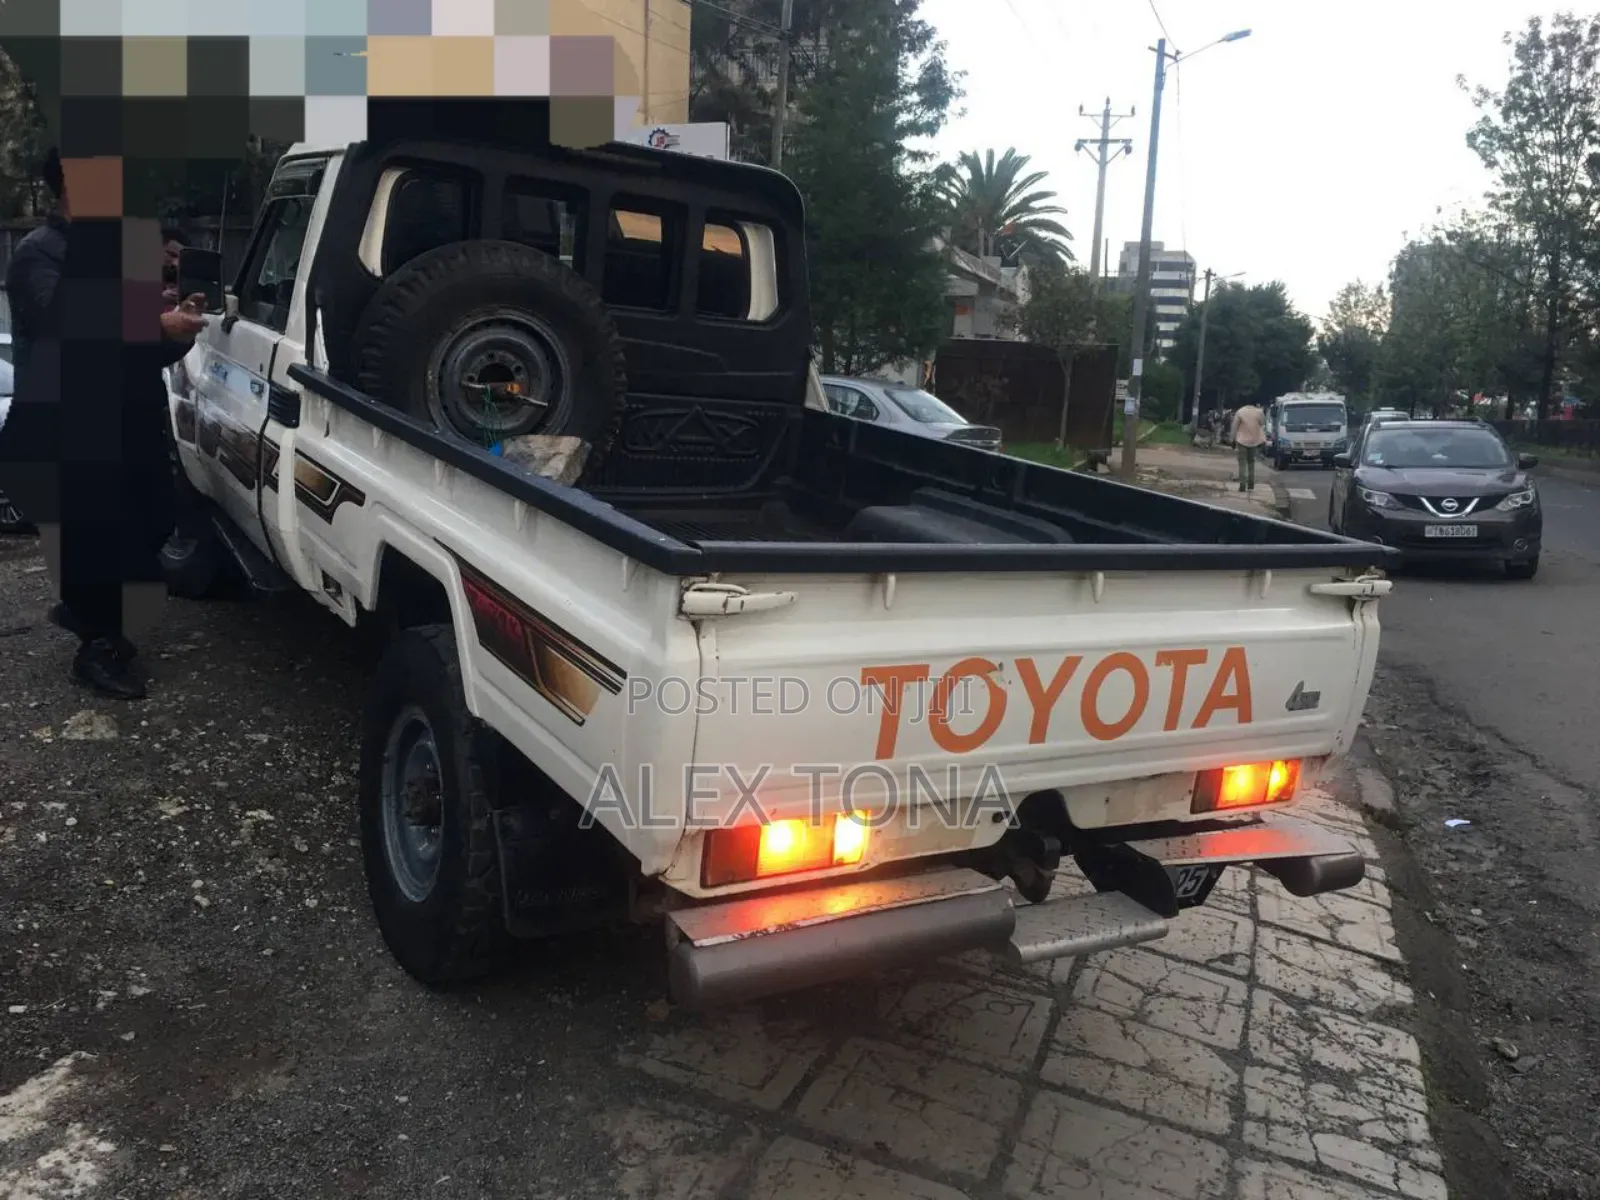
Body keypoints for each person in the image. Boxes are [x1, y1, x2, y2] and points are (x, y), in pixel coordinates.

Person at [1, 148, 207, 698]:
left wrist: (177, 331)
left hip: (130, 419)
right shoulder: (38, 254)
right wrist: (154, 320)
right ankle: (99, 645)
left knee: (155, 520)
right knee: (99, 538)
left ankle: (85, 607)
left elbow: (139, 349)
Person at [1230, 401, 1267, 492]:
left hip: (1241, 441)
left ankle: (1242, 484)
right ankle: (1251, 484)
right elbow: (1263, 423)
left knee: (1242, 462)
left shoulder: (1240, 412)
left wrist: (1232, 440)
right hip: (1254, 441)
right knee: (1251, 462)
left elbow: (1234, 427)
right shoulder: (1259, 412)